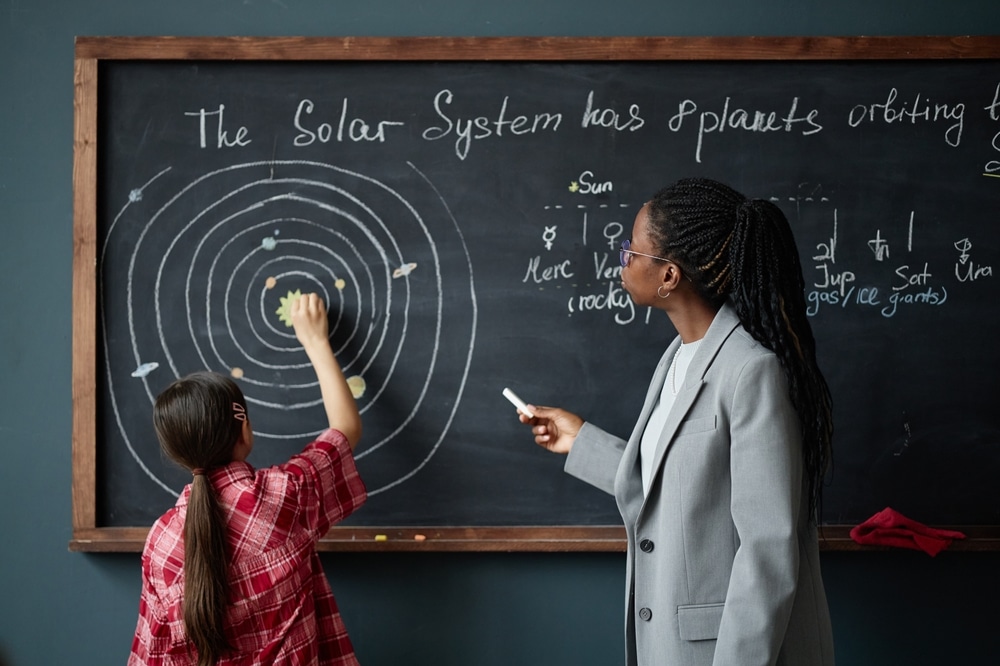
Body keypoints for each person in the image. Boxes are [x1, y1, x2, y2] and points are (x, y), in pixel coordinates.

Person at [517, 177, 835, 666]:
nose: (622, 261)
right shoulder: (678, 359)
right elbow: (680, 482)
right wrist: (579, 441)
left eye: (631, 250)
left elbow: (767, 551)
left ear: (668, 276)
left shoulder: (753, 371)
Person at [129, 292, 366, 666]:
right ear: (244, 429)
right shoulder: (284, 496)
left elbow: (150, 654)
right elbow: (345, 429)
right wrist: (316, 341)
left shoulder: (161, 542)